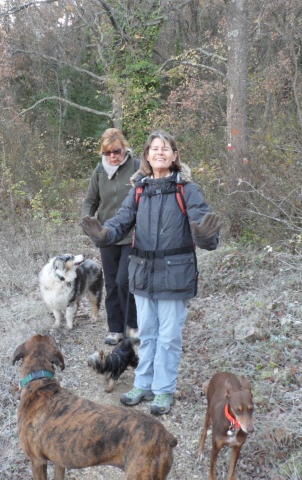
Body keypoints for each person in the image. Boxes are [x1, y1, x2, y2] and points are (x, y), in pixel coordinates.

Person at [81, 130, 221, 415]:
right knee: (146, 334)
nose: (160, 152)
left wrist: (205, 236)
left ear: (174, 155)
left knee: (169, 337)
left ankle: (163, 390)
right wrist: (104, 235)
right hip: (143, 273)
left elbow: (202, 224)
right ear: (146, 155)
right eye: (155, 148)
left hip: (175, 275)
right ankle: (143, 384)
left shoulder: (187, 189)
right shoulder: (140, 189)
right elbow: (121, 220)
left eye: (166, 148)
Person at [82, 128, 140, 345]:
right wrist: (87, 220)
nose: (112, 156)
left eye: (116, 151)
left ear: (124, 148)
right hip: (106, 235)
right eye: (107, 153)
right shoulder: (99, 172)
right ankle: (115, 328)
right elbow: (90, 201)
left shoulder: (136, 167)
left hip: (132, 234)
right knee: (112, 283)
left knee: (125, 280)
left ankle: (133, 325)